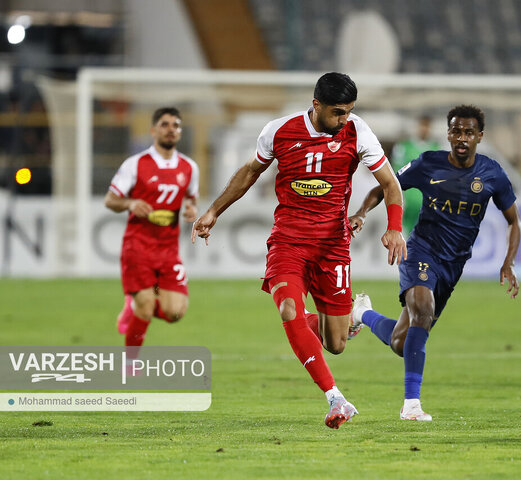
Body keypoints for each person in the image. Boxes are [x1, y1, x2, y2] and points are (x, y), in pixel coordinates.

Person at [192, 72, 406, 429]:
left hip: (332, 247)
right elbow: (249, 172)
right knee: (289, 308)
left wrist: (395, 226)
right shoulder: (279, 131)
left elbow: (390, 183)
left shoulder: (358, 132)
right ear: (316, 105)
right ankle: (336, 398)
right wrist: (214, 210)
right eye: (338, 112)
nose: (344, 120)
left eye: (349, 112)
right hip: (288, 242)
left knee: (334, 343)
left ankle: (353, 317)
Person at [348, 104, 521, 421]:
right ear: (448, 134)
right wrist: (361, 212)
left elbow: (514, 221)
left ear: (479, 137)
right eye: (456, 130)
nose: (462, 137)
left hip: (452, 267)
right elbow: (385, 187)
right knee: (422, 310)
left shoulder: (492, 173)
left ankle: (361, 312)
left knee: (402, 341)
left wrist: (508, 262)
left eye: (469, 132)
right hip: (421, 250)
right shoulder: (429, 164)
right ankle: (411, 405)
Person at [105, 107, 198, 357]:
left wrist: (191, 210)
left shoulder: (189, 167)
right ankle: (130, 362)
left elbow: (191, 198)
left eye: (176, 125)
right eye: (165, 124)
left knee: (175, 312)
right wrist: (130, 203)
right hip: (138, 245)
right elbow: (110, 200)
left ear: (180, 132)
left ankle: (134, 305)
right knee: (145, 306)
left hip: (168, 249)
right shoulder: (135, 164)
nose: (171, 129)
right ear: (153, 130)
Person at [391, 115, 441, 236]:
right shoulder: (404, 147)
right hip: (407, 199)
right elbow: (395, 173)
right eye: (422, 126)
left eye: (427, 126)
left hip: (427, 201)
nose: (424, 129)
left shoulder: (436, 149)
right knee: (405, 234)